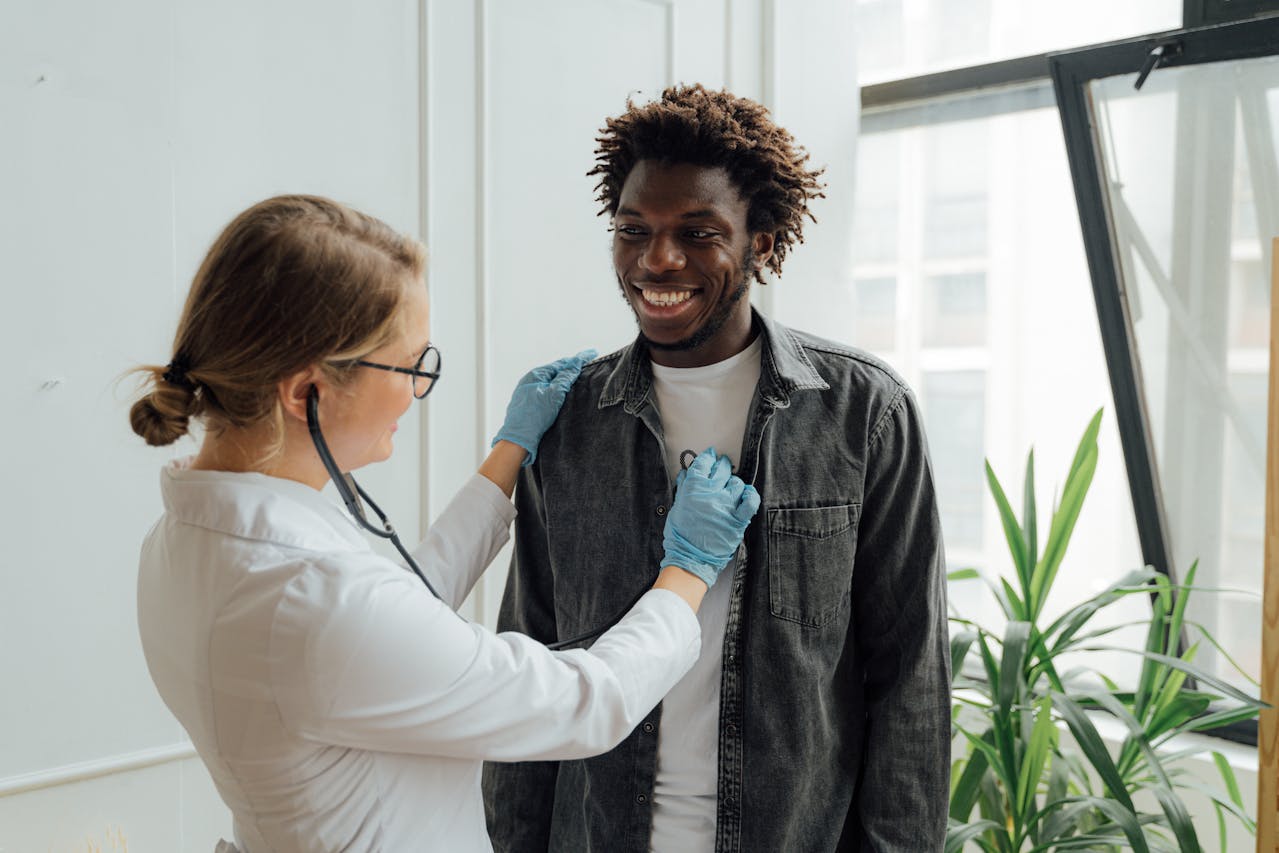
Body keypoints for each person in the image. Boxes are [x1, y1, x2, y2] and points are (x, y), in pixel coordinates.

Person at [129, 194, 761, 852]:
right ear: (305, 391)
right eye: (408, 365)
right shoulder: (313, 595)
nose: (414, 389)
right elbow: (583, 701)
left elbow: (389, 632)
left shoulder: (181, 542)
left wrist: (508, 454)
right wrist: (689, 566)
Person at [482, 85, 950, 852]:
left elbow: (909, 674)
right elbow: (528, 652)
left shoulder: (866, 413)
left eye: (696, 233)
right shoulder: (569, 422)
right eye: (633, 231)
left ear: (761, 241)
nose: (656, 260)